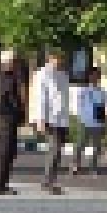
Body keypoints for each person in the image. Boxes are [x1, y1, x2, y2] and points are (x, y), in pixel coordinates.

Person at [33, 50, 76, 193]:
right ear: (50, 58)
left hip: (61, 118)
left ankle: (50, 180)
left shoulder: (63, 75)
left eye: (61, 58)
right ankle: (48, 182)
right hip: (49, 117)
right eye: (57, 57)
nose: (60, 60)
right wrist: (40, 118)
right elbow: (40, 97)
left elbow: (65, 98)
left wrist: (68, 118)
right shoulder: (42, 74)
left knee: (57, 151)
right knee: (54, 149)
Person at [0, 50, 27, 195]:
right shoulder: (3, 77)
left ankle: (2, 183)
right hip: (4, 117)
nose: (16, 64)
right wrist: (18, 109)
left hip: (7, 117)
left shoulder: (7, 76)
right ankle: (0, 185)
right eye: (14, 61)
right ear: (7, 62)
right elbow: (4, 98)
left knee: (9, 151)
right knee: (4, 151)